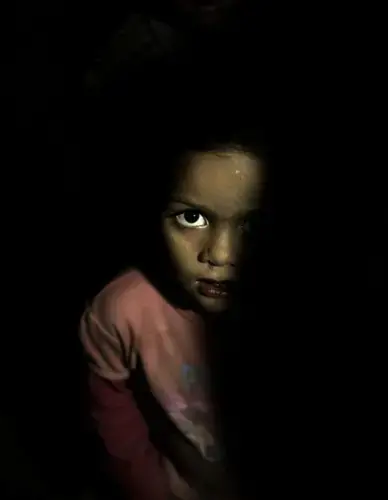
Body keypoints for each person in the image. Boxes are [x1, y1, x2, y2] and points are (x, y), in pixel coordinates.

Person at [78, 97, 267, 500]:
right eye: (192, 218)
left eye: (252, 224)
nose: (220, 255)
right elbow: (116, 418)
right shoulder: (121, 311)